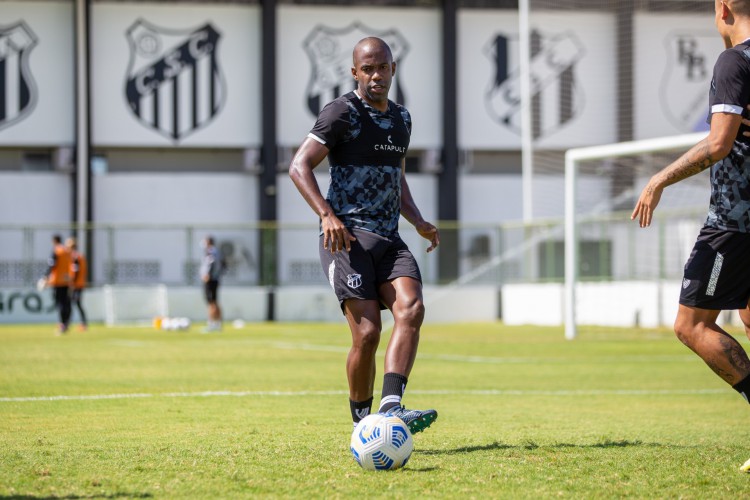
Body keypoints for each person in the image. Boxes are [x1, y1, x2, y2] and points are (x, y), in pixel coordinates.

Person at [288, 37, 440, 434]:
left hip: (388, 239)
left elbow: (396, 178)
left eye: (383, 67)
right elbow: (299, 166)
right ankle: (361, 421)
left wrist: (419, 220)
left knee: (412, 309)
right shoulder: (341, 112)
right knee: (368, 333)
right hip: (347, 240)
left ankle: (391, 409)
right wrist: (326, 215)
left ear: (393, 69)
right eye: (367, 69)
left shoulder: (402, 119)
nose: (376, 75)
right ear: (355, 72)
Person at [631, 0, 750, 472]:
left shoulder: (734, 60)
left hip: (734, 224)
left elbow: (720, 143)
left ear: (722, 8)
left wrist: (659, 178)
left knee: (692, 325)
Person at [45, 234, 72, 334]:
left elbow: (52, 265)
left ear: (54, 241)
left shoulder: (56, 250)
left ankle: (62, 324)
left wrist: (45, 276)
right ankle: (66, 323)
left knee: (60, 303)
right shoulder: (66, 251)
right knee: (66, 303)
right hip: (66, 280)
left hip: (57, 281)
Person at [200, 236, 225, 332]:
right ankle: (218, 323)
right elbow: (223, 264)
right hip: (215, 279)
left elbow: (211, 263)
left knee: (211, 302)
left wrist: (208, 274)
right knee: (215, 301)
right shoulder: (217, 252)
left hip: (210, 279)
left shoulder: (211, 251)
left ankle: (211, 323)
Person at [65, 237, 88, 331]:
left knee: (75, 303)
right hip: (80, 283)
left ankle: (70, 323)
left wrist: (72, 283)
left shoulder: (74, 257)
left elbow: (76, 271)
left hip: (76, 285)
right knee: (76, 303)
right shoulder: (79, 255)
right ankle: (71, 323)